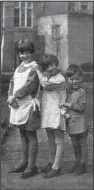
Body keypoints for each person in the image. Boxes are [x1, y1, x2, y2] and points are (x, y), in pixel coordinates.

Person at [7, 39, 41, 179]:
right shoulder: (19, 67)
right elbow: (12, 82)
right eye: (21, 53)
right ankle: (24, 162)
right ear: (18, 54)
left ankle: (32, 166)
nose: (24, 55)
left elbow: (29, 86)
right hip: (17, 105)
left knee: (31, 135)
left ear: (31, 52)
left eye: (27, 52)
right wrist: (10, 96)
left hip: (29, 105)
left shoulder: (35, 68)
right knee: (22, 134)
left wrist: (14, 96)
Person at [34, 54, 66, 178]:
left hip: (57, 111)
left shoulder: (60, 78)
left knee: (58, 140)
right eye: (47, 66)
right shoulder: (48, 76)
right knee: (50, 139)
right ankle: (52, 162)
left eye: (52, 64)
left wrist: (37, 70)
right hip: (48, 111)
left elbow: (45, 85)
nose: (51, 67)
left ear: (56, 63)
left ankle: (56, 167)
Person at [61, 64, 88, 175]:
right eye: (71, 79)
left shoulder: (82, 92)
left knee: (82, 144)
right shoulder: (69, 92)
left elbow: (81, 107)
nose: (74, 81)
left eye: (77, 78)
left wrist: (67, 104)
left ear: (81, 78)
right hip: (72, 123)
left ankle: (82, 165)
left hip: (81, 123)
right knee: (75, 145)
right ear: (67, 79)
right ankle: (77, 163)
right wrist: (65, 112)